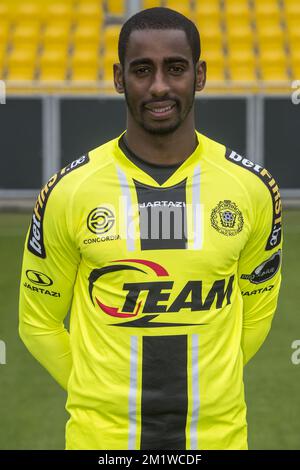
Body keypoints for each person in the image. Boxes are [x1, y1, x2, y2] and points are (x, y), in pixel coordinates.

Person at [19, 7, 282, 450]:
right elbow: (38, 323)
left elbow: (256, 314)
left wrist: (208, 388)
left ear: (199, 75)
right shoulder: (69, 190)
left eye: (175, 68)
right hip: (101, 443)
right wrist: (98, 395)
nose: (159, 85)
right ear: (120, 78)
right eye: (142, 70)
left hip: (217, 441)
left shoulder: (253, 188)